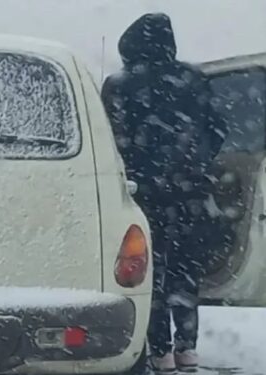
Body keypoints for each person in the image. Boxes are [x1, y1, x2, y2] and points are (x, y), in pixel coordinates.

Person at [101, 13, 228, 373]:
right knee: (186, 273)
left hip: (143, 194)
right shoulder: (194, 78)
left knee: (149, 274)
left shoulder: (119, 84)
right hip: (189, 194)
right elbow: (218, 129)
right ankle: (188, 348)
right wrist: (196, 162)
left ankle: (160, 351)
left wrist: (137, 166)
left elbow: (108, 138)